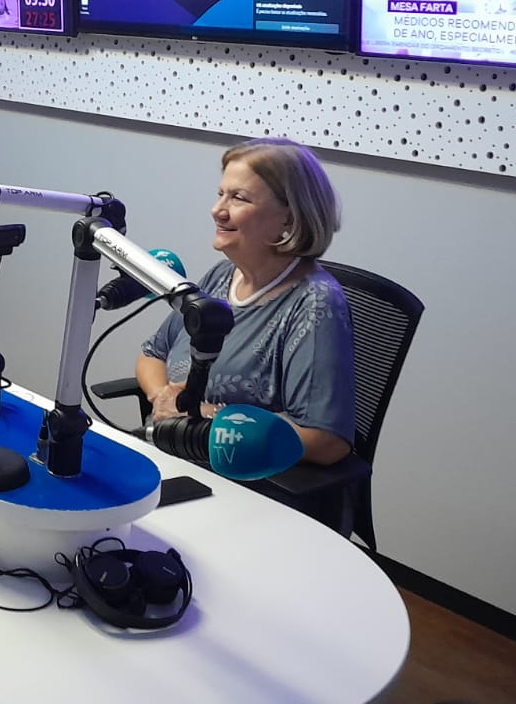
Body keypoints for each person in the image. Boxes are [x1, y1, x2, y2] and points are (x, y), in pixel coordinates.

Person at [136, 137, 355, 469]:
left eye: (238, 198)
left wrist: (203, 416)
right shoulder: (222, 276)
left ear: (289, 218)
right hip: (170, 450)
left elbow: (326, 441)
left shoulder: (314, 303)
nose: (217, 210)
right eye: (220, 194)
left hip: (239, 476)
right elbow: (152, 354)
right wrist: (163, 398)